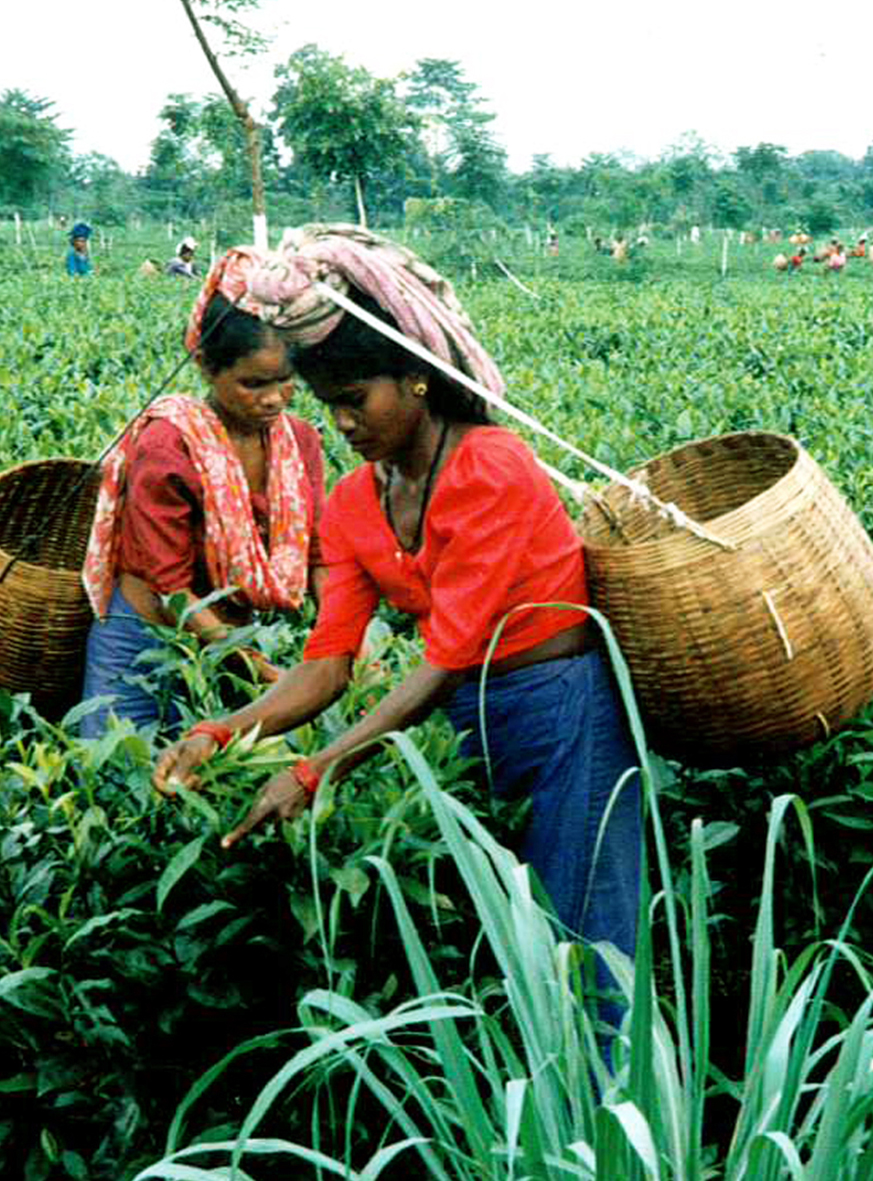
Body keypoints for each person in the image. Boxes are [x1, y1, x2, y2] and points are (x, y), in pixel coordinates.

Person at [152, 225, 644, 1027]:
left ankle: (610, 1129)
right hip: (463, 723)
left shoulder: (493, 467)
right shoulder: (352, 504)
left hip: (564, 714)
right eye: (330, 406)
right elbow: (327, 664)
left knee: (590, 942)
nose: (342, 423)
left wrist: (320, 769)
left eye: (357, 399)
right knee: (510, 944)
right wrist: (222, 729)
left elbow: (447, 653)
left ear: (415, 382)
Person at [79, 245, 328, 738]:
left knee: (221, 782)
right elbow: (168, 584)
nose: (274, 398)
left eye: (285, 381)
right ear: (207, 368)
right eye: (254, 383)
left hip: (236, 632)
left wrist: (344, 644)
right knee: (115, 779)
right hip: (145, 636)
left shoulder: (298, 442)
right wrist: (255, 668)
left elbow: (319, 553)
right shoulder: (168, 443)